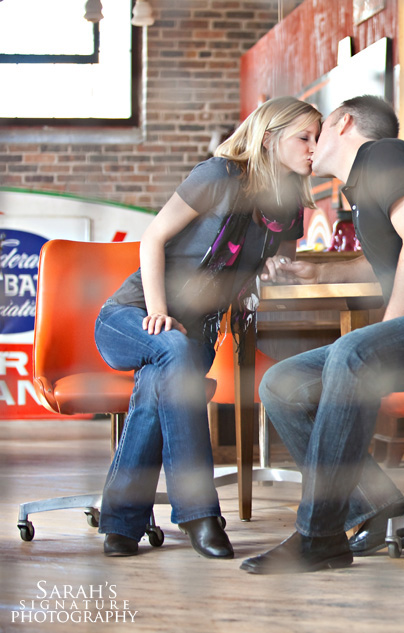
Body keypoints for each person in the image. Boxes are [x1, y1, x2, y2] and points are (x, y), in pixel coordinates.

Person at [240, 95, 404, 574]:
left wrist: (383, 334)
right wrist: (316, 272)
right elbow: (386, 259)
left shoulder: (385, 154)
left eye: (318, 131)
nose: (311, 144)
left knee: (354, 353)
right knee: (280, 384)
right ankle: (381, 509)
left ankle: (318, 536)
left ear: (344, 123)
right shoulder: (363, 184)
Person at [93, 96, 322, 558]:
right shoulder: (218, 176)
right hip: (132, 316)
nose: (314, 148)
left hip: (193, 334)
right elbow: (153, 238)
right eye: (304, 137)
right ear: (269, 138)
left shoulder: (290, 204)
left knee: (161, 379)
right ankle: (200, 515)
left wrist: (277, 267)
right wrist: (158, 311)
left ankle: (121, 524)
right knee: (173, 350)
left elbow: (279, 258)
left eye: (318, 138)